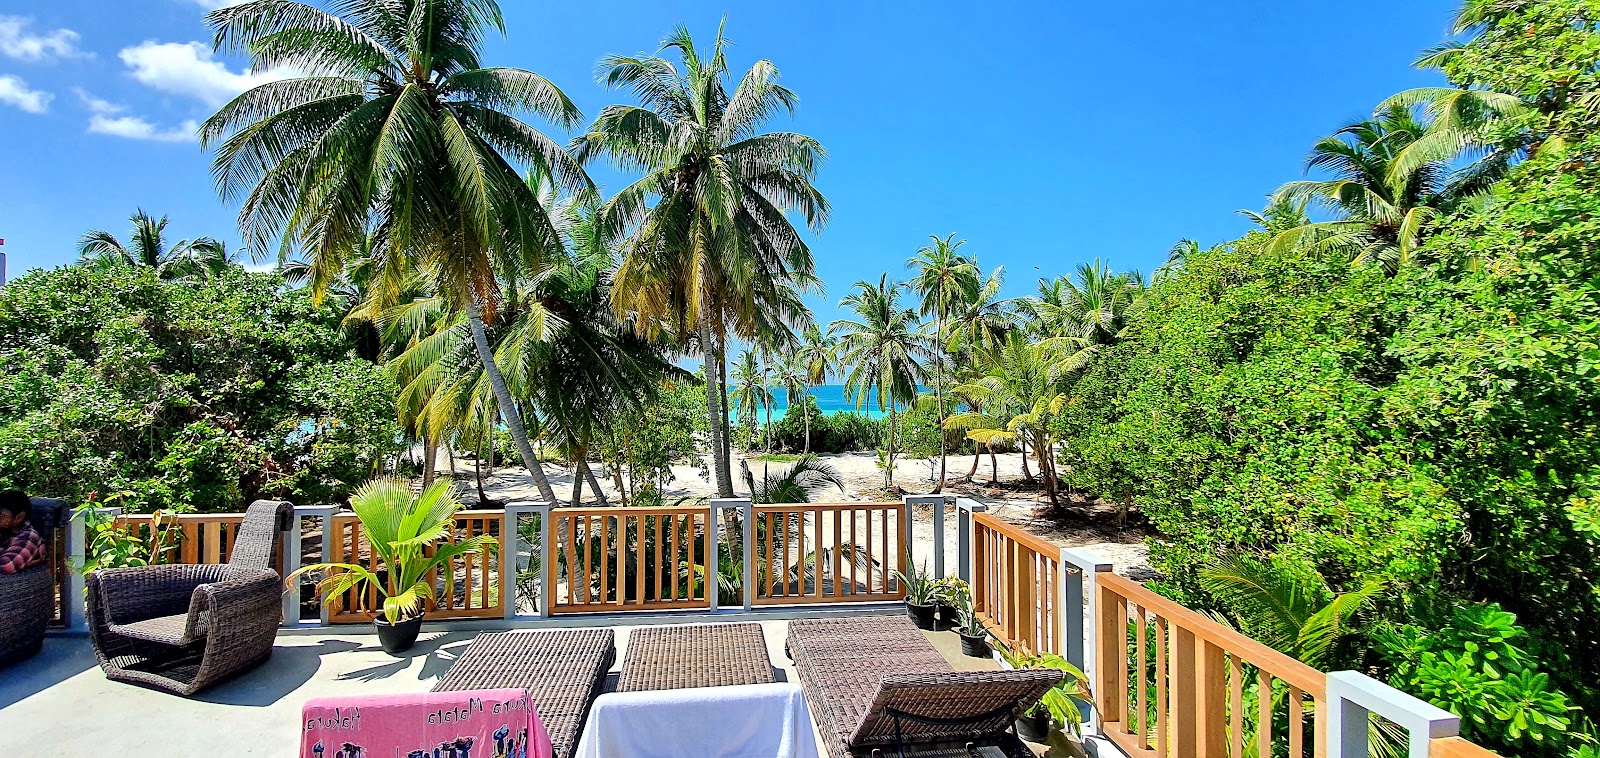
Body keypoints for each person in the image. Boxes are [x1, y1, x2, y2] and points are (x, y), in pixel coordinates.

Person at [0, 489, 45, 574]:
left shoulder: (28, 536)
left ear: (19, 517)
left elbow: (7, 566)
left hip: (18, 583)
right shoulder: (5, 532)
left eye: (2, 516)